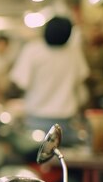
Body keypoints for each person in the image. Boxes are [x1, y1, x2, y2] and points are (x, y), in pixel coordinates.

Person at [9, 16, 90, 144]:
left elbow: (20, 82)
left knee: (36, 159)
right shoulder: (74, 53)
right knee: (62, 160)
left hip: (35, 121)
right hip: (65, 123)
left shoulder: (32, 50)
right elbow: (81, 80)